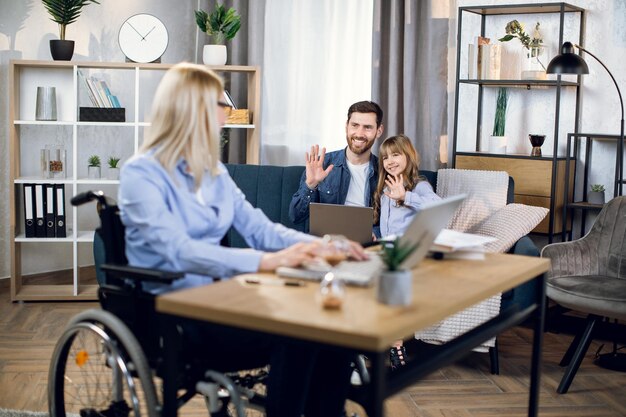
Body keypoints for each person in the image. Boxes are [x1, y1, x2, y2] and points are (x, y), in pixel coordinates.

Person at [118, 63, 365, 417]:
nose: (228, 113)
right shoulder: (141, 173)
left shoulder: (213, 172)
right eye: (222, 105)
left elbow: (261, 229)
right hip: (172, 311)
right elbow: (176, 249)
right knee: (297, 331)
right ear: (194, 110)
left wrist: (322, 244)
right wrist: (264, 261)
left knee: (331, 325)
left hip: (221, 295)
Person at [372, 134, 441, 369]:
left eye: (395, 154)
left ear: (408, 156)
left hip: (409, 251)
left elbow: (437, 207)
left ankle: (397, 345)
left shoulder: (419, 185)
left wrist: (406, 197)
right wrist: (377, 237)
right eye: (385, 157)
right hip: (387, 248)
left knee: (391, 279)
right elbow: (388, 228)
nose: (389, 161)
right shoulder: (384, 189)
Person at [289, 101, 384, 228]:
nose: (360, 134)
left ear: (379, 131)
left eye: (367, 127)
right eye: (355, 125)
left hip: (365, 244)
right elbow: (295, 216)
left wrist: (375, 234)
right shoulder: (322, 164)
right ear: (346, 127)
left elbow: (392, 222)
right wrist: (310, 185)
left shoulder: (385, 172)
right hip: (326, 242)